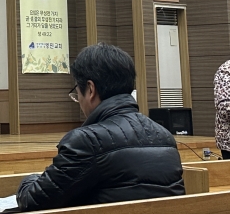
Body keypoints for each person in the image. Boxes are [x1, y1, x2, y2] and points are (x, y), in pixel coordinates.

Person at [16, 44, 184, 211]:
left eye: (77, 92)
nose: (78, 100)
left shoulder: (86, 142)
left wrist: (29, 180)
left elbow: (33, 199)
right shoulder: (165, 137)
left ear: (90, 89)